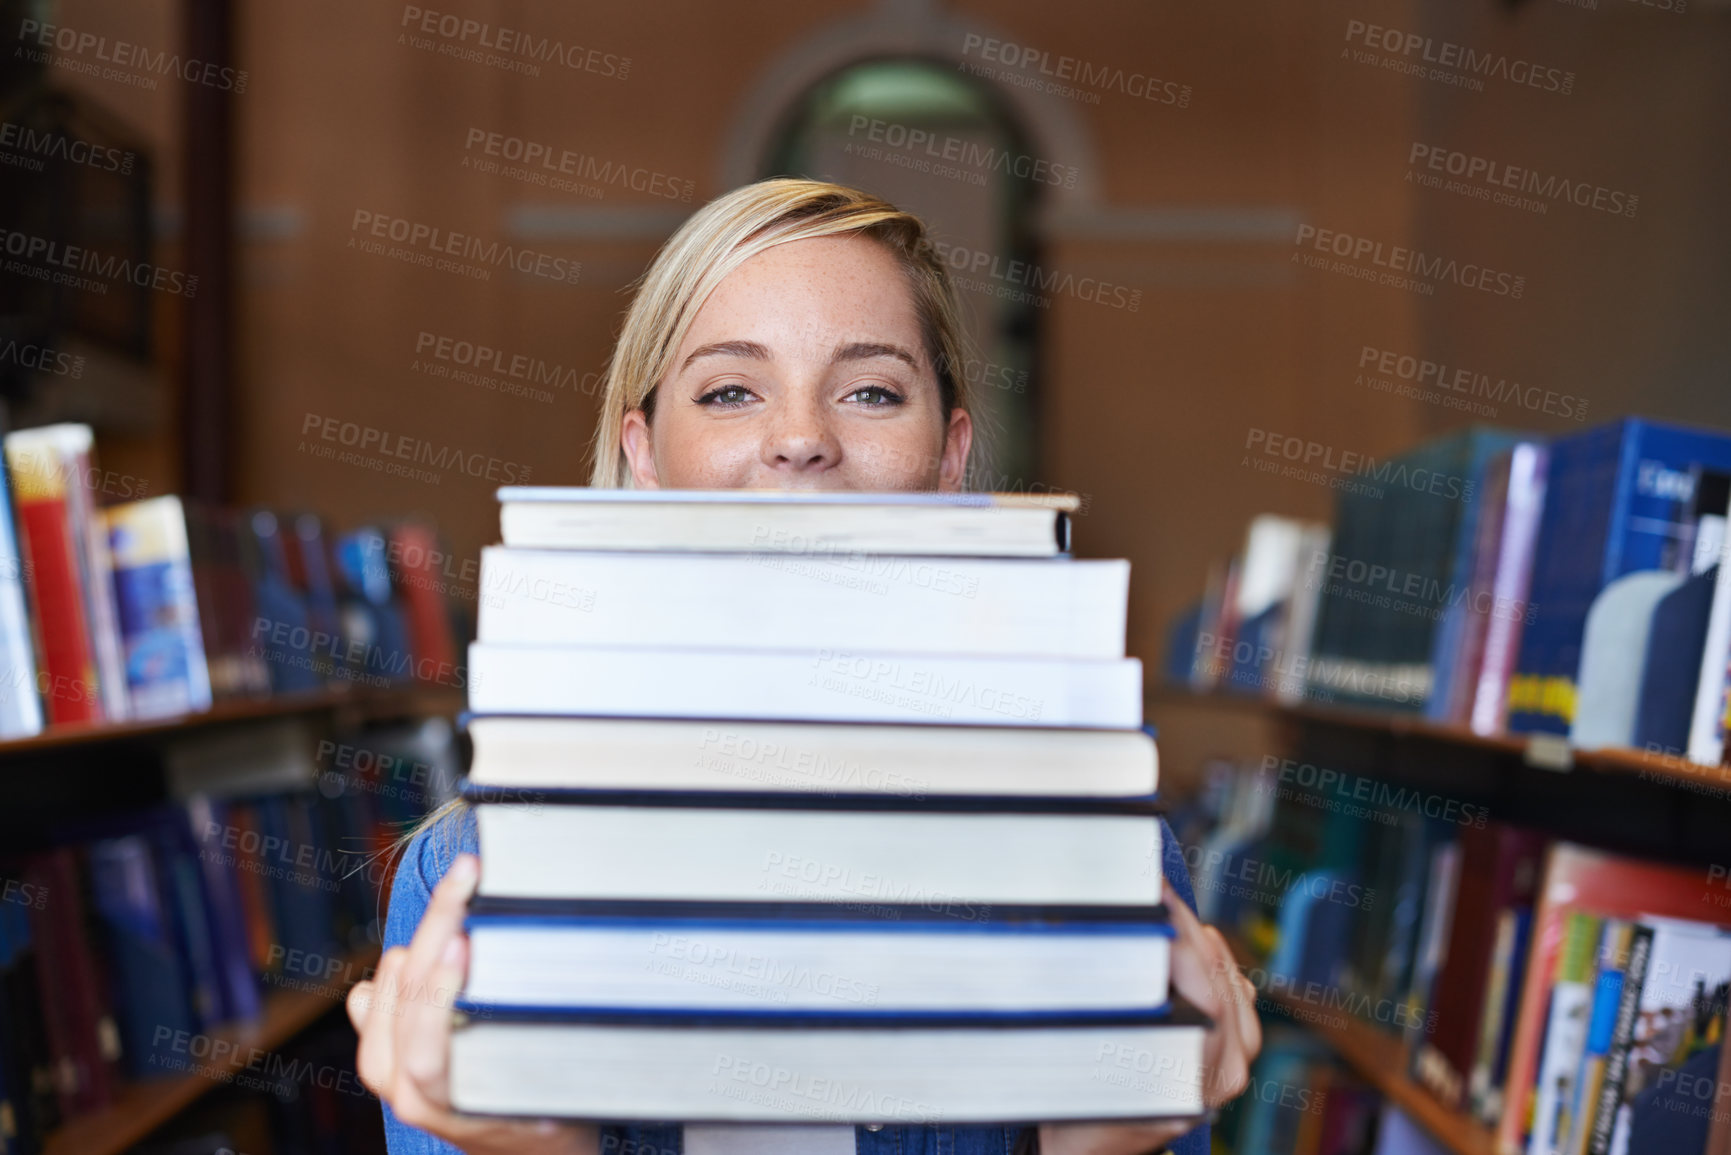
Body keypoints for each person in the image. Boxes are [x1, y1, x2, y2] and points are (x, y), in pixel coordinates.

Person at [347, 178, 1263, 1155]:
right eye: (731, 389)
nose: (800, 441)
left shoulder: (1102, 867)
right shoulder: (468, 881)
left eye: (871, 389)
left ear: (949, 463)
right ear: (645, 457)